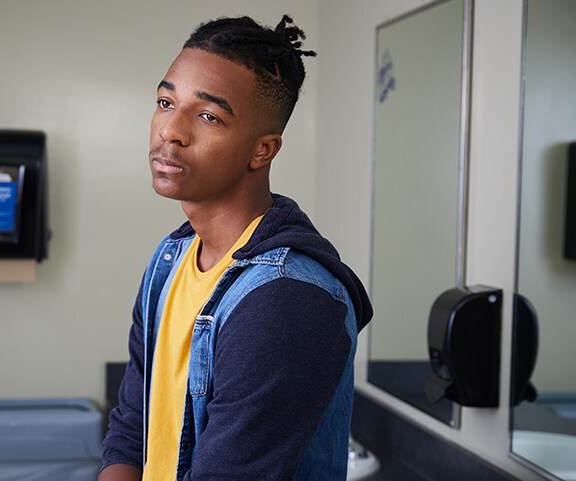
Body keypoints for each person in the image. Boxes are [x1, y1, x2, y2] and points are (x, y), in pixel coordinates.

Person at [99, 15, 373, 481]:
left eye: (209, 116)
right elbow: (132, 427)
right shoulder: (172, 259)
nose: (172, 131)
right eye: (166, 102)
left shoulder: (286, 300)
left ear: (262, 150)